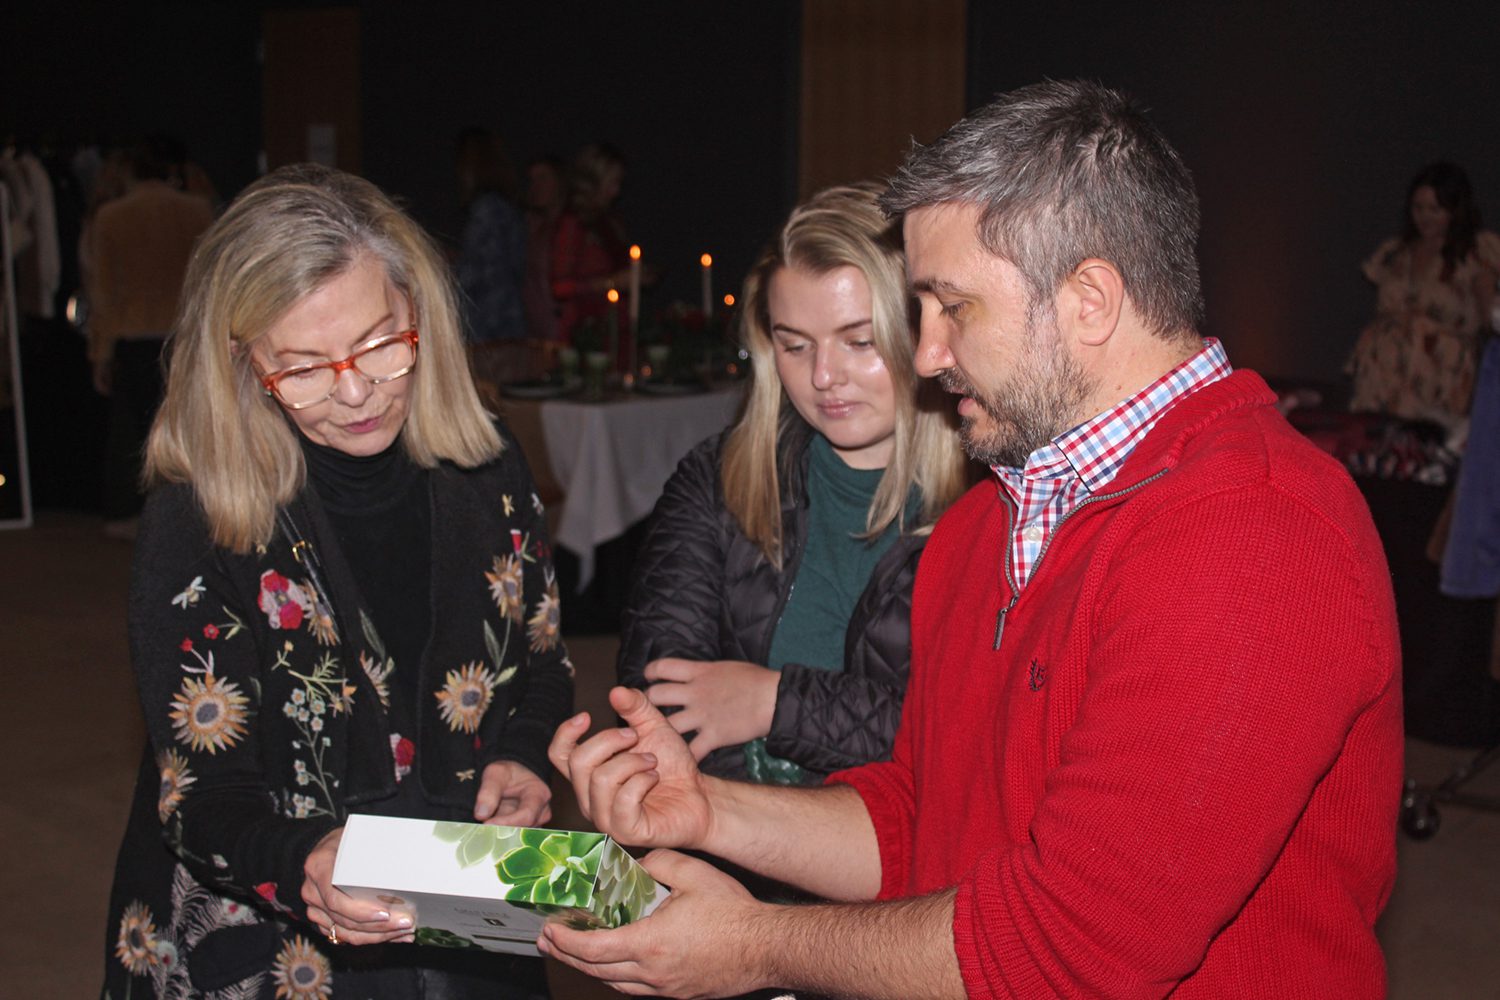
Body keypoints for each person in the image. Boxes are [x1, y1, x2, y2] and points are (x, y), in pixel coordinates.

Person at [542, 79, 1403, 998]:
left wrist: (754, 944)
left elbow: (1071, 950)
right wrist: (709, 810)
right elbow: (921, 821)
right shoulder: (982, 523)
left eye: (954, 307)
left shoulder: (1255, 535)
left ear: (1089, 300)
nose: (926, 355)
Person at [102, 164, 573, 999]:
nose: (355, 392)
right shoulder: (199, 515)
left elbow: (542, 664)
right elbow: (202, 796)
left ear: (417, 309)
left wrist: (524, 754)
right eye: (304, 368)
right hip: (269, 933)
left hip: (470, 908)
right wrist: (304, 857)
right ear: (243, 363)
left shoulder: (487, 462)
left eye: (381, 344)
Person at [618, 183, 967, 792]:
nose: (823, 376)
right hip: (730, 828)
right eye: (795, 345)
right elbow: (660, 699)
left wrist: (774, 702)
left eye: (859, 341)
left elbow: (964, 739)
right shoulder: (717, 479)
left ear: (923, 333)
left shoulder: (992, 502)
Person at [85, 134, 214, 539]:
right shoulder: (197, 211)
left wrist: (100, 352)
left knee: (130, 432)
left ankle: (125, 515)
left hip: (133, 334)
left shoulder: (112, 217)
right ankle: (192, 514)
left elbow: (104, 291)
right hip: (184, 335)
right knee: (188, 428)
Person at [1347, 162, 1500, 434]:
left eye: (1434, 209)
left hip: (1438, 371)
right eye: (1418, 208)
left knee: (1419, 440)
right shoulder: (1398, 251)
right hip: (1386, 367)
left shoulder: (1474, 252)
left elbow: (1490, 315)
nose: (1424, 217)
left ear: (1454, 210)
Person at [549, 142, 646, 348]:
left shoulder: (610, 223)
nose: (615, 191)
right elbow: (560, 287)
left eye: (619, 183)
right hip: (586, 332)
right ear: (592, 182)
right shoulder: (573, 224)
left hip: (614, 327)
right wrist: (612, 283)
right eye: (611, 182)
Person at [522, 154, 566, 343]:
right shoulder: (528, 227)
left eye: (543, 178)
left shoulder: (572, 228)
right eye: (532, 180)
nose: (536, 186)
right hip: (533, 333)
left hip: (563, 332)